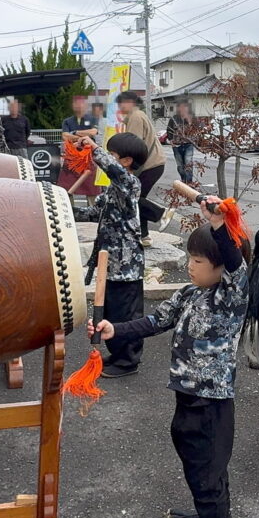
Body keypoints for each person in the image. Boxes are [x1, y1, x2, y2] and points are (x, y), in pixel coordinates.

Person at [89, 198, 249, 518]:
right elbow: (155, 321)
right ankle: (207, 515)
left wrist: (220, 226)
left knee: (207, 468)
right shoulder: (190, 294)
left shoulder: (231, 299)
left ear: (220, 267)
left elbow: (237, 264)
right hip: (187, 396)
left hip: (211, 402)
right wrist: (115, 328)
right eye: (189, 258)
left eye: (197, 261)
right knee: (194, 461)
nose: (188, 266)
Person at [71, 133, 146, 378]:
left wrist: (94, 150)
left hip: (127, 265)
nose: (107, 160)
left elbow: (114, 171)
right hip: (111, 264)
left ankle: (128, 361)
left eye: (112, 155)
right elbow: (95, 213)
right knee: (112, 313)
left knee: (126, 315)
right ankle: (117, 354)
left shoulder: (130, 184)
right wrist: (64, 208)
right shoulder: (113, 190)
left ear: (125, 161)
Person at [117, 90, 165, 246]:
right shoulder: (137, 116)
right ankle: (144, 236)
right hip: (153, 164)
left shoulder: (136, 117)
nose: (119, 106)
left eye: (121, 103)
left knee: (133, 197)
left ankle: (162, 214)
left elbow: (132, 146)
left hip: (149, 165)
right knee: (137, 198)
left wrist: (126, 169)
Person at [59, 96, 101, 198]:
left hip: (88, 156)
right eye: (76, 103)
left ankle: (93, 209)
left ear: (85, 105)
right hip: (72, 156)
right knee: (67, 185)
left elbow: (93, 132)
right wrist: (83, 138)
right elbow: (65, 136)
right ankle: (69, 208)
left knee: (91, 186)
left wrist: (75, 133)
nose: (79, 106)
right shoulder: (67, 121)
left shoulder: (93, 119)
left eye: (81, 103)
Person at [166, 99, 197, 184]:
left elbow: (196, 129)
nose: (183, 109)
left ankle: (189, 182)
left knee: (188, 163)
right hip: (176, 145)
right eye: (181, 107)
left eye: (185, 107)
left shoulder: (191, 118)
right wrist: (171, 140)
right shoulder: (174, 119)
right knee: (180, 165)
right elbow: (169, 130)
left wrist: (188, 119)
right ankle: (183, 179)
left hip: (188, 144)